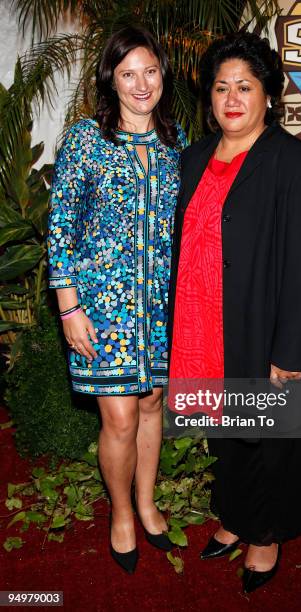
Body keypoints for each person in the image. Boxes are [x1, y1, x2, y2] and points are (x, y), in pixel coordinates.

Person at [168, 32, 301, 593]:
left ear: (268, 94)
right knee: (226, 438)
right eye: (220, 87)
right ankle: (236, 519)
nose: (231, 98)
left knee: (270, 443)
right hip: (203, 328)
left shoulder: (294, 164)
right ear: (208, 97)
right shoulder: (192, 159)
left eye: (245, 86)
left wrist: (289, 352)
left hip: (262, 331)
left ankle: (267, 535)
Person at [48, 25, 187, 574]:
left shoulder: (174, 144)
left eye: (149, 71)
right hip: (102, 308)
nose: (141, 83)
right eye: (128, 73)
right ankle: (122, 511)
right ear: (111, 79)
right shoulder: (86, 140)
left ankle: (149, 502)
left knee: (152, 405)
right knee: (121, 418)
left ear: (162, 74)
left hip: (159, 307)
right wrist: (68, 306)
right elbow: (60, 228)